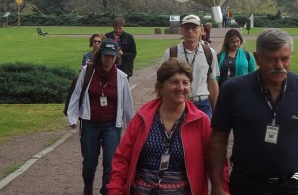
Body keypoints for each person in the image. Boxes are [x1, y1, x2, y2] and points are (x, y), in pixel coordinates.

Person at [209, 28, 298, 195]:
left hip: (294, 187)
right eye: (272, 59)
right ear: (257, 58)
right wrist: (217, 186)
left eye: (285, 59)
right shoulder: (234, 89)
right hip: (247, 185)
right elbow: (218, 139)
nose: (279, 66)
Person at [107, 58, 229, 195]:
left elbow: (216, 160)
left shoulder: (201, 121)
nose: (181, 88)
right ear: (160, 87)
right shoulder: (142, 118)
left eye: (185, 83)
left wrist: (221, 188)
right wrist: (114, 190)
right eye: (174, 82)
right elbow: (122, 158)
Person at [67, 38, 135, 195]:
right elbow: (76, 95)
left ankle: (106, 191)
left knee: (110, 162)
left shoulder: (121, 78)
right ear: (100, 56)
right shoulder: (88, 72)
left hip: (112, 125)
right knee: (89, 163)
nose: (108, 60)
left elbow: (127, 104)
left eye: (112, 57)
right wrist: (72, 118)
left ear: (116, 58)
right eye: (105, 56)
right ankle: (88, 187)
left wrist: (132, 127)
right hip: (90, 124)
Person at [160, 14, 219, 120]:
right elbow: (161, 83)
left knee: (206, 136)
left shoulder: (209, 53)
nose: (190, 31)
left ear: (201, 30)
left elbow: (212, 82)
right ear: (181, 30)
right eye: (187, 28)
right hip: (178, 102)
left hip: (203, 104)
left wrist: (216, 110)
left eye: (194, 28)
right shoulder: (171, 53)